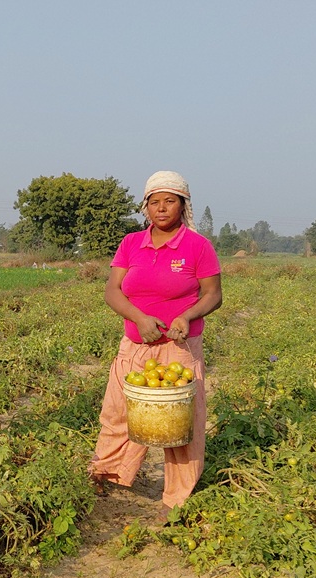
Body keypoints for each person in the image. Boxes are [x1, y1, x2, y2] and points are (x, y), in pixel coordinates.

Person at [89, 170, 222, 515]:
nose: (161, 208)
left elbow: (213, 294)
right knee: (118, 412)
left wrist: (188, 316)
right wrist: (139, 318)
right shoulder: (131, 243)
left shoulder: (197, 246)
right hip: (135, 347)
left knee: (179, 423)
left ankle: (177, 497)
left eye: (169, 201)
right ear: (146, 207)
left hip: (178, 349)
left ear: (183, 205)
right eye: (155, 202)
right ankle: (108, 475)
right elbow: (112, 290)